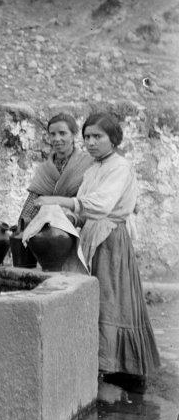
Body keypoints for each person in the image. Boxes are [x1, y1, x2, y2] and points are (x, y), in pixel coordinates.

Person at [33, 113, 160, 386]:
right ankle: (104, 364)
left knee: (112, 300)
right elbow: (84, 208)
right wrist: (64, 218)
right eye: (87, 137)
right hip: (92, 235)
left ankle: (124, 370)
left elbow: (101, 205)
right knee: (97, 299)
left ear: (113, 139)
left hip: (110, 239)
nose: (90, 143)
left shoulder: (120, 167)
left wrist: (60, 201)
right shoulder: (93, 169)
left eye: (97, 137)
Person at [19, 113, 93, 223]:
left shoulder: (88, 164)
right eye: (52, 134)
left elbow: (91, 203)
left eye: (62, 133)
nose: (57, 138)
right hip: (47, 227)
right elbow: (32, 203)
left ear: (73, 135)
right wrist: (22, 225)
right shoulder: (45, 169)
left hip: (78, 224)